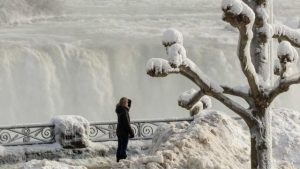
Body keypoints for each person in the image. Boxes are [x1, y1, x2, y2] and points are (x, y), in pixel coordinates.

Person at [115, 97, 134, 162]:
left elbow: (127, 108)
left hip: (119, 131)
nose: (128, 104)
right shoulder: (124, 112)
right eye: (127, 103)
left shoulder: (119, 109)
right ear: (124, 103)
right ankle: (123, 161)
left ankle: (118, 160)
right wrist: (131, 132)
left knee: (120, 146)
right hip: (124, 132)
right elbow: (127, 124)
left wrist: (128, 101)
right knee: (123, 148)